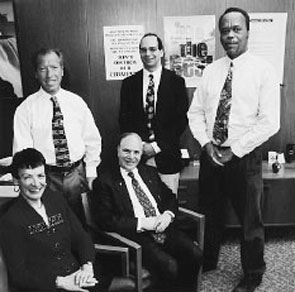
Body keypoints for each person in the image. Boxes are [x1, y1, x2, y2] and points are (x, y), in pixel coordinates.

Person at [188, 7, 280, 292]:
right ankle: (209, 260)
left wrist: (235, 150)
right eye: (225, 30)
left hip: (244, 157)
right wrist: (206, 144)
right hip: (211, 154)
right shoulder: (211, 72)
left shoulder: (263, 70)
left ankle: (253, 274)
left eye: (236, 29)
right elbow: (195, 113)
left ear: (248, 32)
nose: (230, 34)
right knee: (209, 214)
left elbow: (270, 122)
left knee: (251, 221)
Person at [90, 132, 202, 292]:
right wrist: (143, 223)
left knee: (195, 254)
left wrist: (167, 215)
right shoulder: (105, 181)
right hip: (137, 237)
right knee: (169, 266)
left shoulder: (149, 172)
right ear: (118, 151)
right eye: (126, 151)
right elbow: (106, 220)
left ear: (141, 153)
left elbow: (170, 197)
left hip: (163, 227)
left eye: (136, 152)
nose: (131, 157)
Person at [0, 148, 110, 292]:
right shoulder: (10, 219)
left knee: (127, 285)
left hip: (78, 276)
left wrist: (87, 267)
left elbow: (81, 237)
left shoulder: (56, 200)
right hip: (46, 286)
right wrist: (60, 282)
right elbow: (19, 274)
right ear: (16, 180)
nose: (36, 183)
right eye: (27, 177)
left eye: (40, 176)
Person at [13, 48, 102, 225]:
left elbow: (92, 140)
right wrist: (32, 182)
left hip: (77, 175)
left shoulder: (76, 102)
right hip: (45, 178)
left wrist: (91, 173)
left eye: (54, 67)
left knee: (82, 226)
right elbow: (22, 152)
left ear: (62, 70)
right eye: (42, 69)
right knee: (52, 227)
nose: (49, 74)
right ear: (36, 73)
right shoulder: (25, 109)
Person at [119, 33, 189, 195]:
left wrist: (156, 147)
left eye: (152, 49)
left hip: (168, 158)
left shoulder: (176, 82)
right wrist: (140, 147)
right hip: (137, 158)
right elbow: (124, 121)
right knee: (142, 206)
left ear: (161, 52)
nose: (148, 54)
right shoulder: (129, 84)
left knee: (168, 206)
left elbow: (180, 122)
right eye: (143, 50)